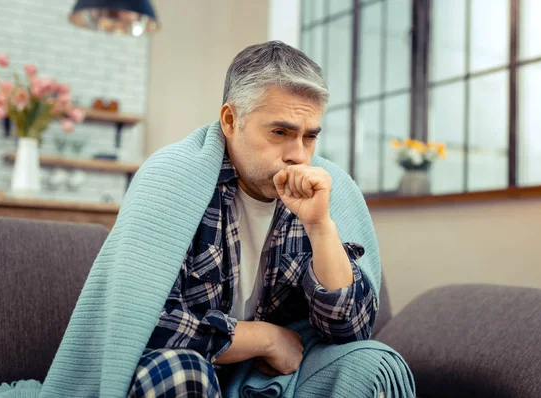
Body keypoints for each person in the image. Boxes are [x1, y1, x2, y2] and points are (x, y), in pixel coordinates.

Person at [127, 41, 379, 397]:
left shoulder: (321, 189)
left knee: (367, 364)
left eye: (310, 137)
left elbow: (352, 330)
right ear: (230, 120)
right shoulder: (171, 180)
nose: (298, 155)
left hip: (271, 379)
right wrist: (266, 338)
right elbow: (142, 321)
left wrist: (320, 227)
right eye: (280, 132)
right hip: (187, 371)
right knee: (179, 370)